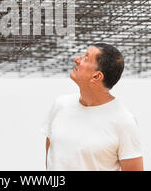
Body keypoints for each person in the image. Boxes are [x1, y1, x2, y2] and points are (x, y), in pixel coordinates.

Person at [41, 43, 143, 171]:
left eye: (85, 58)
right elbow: (51, 152)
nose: (76, 59)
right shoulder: (60, 105)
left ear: (97, 76)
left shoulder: (124, 122)